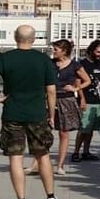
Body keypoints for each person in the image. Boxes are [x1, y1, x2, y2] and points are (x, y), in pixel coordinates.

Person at [0, 24, 61, 199]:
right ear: (34, 39)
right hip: (37, 114)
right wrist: (51, 114)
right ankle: (50, 198)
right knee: (43, 155)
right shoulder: (43, 60)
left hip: (12, 113)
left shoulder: (5, 58)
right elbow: (51, 91)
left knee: (15, 158)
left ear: (15, 38)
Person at [29, 39, 89, 176]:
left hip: (66, 100)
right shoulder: (49, 64)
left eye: (56, 49)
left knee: (63, 133)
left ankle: (60, 165)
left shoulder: (75, 65)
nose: (53, 51)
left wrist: (75, 88)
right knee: (43, 132)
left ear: (64, 51)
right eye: (53, 49)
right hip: (49, 99)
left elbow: (87, 80)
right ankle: (36, 164)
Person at [74, 39, 100, 162]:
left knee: (92, 129)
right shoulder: (82, 65)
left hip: (97, 101)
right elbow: (78, 83)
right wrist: (81, 99)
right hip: (86, 101)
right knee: (83, 128)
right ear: (91, 51)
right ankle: (76, 152)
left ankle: (86, 152)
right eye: (98, 52)